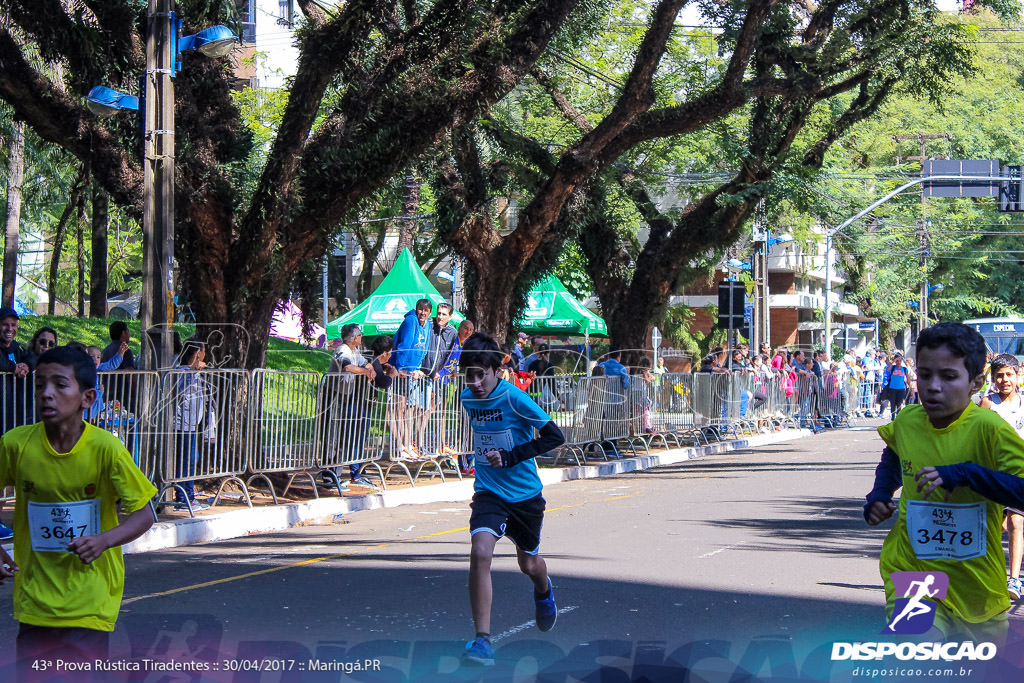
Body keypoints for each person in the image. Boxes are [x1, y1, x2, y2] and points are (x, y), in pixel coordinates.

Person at [0, 346, 156, 676]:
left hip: (90, 601)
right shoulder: (15, 445)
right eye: (40, 384)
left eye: (59, 385)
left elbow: (145, 514)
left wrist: (103, 541)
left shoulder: (106, 449)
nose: (46, 394)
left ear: (87, 398)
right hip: (34, 603)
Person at [864, 322, 1024, 642]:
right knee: (919, 655)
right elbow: (895, 455)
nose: (933, 387)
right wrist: (880, 493)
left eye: (948, 377)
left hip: (975, 584)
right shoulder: (908, 420)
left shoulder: (990, 429)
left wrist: (964, 473)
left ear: (975, 382)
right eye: (924, 375)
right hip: (913, 571)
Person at [458, 332, 565, 666]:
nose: (475, 383)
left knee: (528, 563)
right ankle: (482, 641)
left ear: (496, 370)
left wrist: (512, 455)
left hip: (525, 496)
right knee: (480, 552)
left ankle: (544, 589)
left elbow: (554, 436)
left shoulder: (514, 398)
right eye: (469, 376)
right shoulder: (466, 398)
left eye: (481, 375)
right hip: (489, 491)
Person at [977, 354, 1024, 600]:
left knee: (1017, 523)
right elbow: (976, 437)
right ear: (993, 379)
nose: (1005, 380)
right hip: (993, 476)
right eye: (999, 376)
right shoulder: (988, 404)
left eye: (1009, 374)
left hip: (1019, 476)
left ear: (1017, 376)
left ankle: (1014, 579)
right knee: (995, 527)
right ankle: (985, 573)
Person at [324, 324, 377, 489]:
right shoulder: (343, 350)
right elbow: (347, 366)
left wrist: (370, 369)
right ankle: (328, 477)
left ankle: (336, 475)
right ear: (355, 338)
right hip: (333, 397)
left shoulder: (354, 351)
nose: (361, 337)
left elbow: (366, 363)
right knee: (332, 436)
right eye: (360, 335)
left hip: (345, 397)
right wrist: (365, 371)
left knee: (342, 436)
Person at [171, 339, 211, 511]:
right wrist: (194, 372)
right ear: (197, 353)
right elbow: (180, 391)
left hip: (191, 423)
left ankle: (188, 497)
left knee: (190, 460)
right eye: (203, 350)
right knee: (186, 461)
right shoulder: (183, 371)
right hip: (183, 423)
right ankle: (183, 499)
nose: (205, 354)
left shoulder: (191, 372)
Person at [0, 307, 36, 433]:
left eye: (13, 325)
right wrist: (13, 368)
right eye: (5, 325)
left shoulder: (18, 347)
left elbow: (33, 358)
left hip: (14, 410)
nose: (10, 329)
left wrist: (27, 366)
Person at [880, 353, 910, 420]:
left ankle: (898, 417)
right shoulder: (893, 368)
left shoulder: (904, 369)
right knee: (893, 403)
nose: (898, 362)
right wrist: (894, 361)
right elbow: (887, 369)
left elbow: (908, 378)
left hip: (901, 389)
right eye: (897, 361)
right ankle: (893, 417)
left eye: (899, 361)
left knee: (899, 403)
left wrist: (910, 387)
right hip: (892, 388)